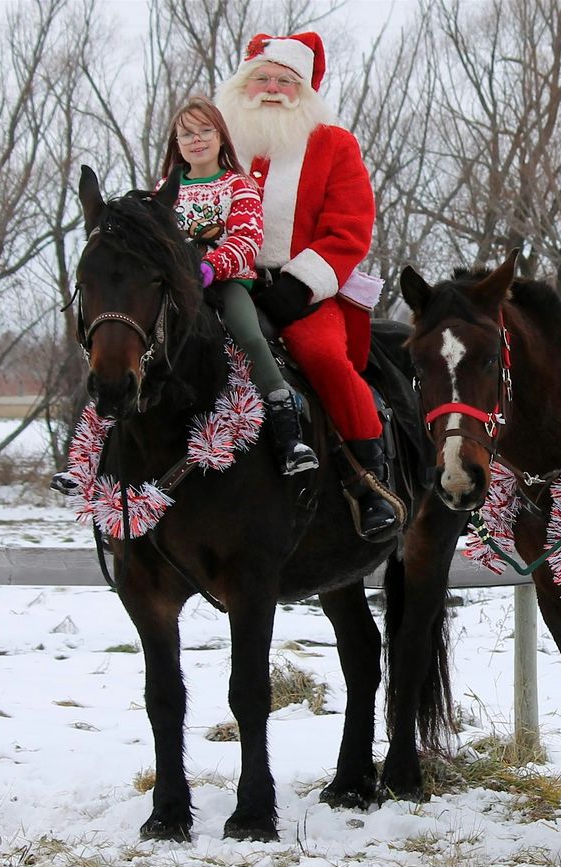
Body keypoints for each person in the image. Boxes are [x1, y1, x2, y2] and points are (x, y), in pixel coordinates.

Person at [214, 32, 399, 541]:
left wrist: (298, 286)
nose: (272, 89)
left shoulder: (334, 144)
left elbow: (349, 229)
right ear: (243, 84)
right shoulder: (217, 139)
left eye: (285, 81)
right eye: (263, 78)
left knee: (321, 356)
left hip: (304, 290)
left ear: (305, 90)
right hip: (218, 282)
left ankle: (370, 479)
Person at [158, 96, 317, 477]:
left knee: (248, 332)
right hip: (175, 287)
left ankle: (288, 430)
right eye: (187, 134)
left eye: (205, 131)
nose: (197, 140)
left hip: (224, 283)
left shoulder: (238, 186)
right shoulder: (166, 187)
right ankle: (101, 438)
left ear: (220, 136)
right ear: (176, 144)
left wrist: (209, 268)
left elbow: (246, 238)